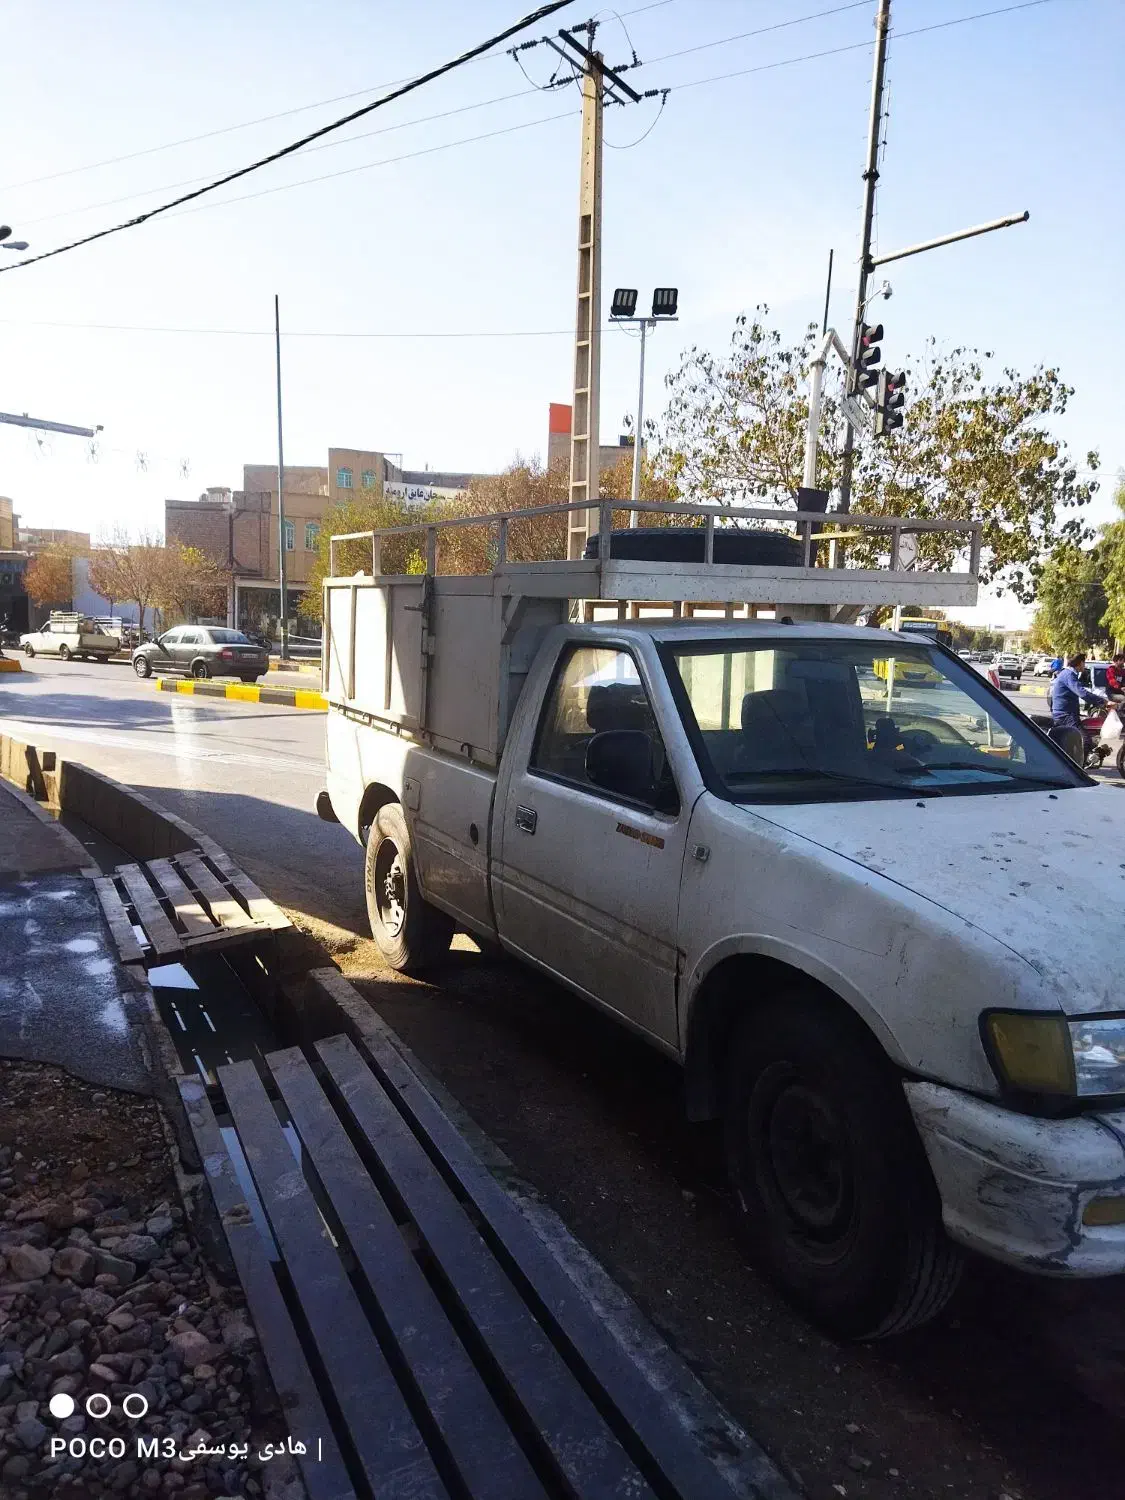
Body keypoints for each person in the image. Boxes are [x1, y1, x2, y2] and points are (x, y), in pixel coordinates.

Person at [1049, 652, 1107, 730]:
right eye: (1084, 662)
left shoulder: (1068, 673)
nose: (1084, 665)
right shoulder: (1069, 675)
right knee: (1084, 740)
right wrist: (1103, 701)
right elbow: (1083, 693)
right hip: (1065, 715)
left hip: (1065, 713)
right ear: (1080, 663)